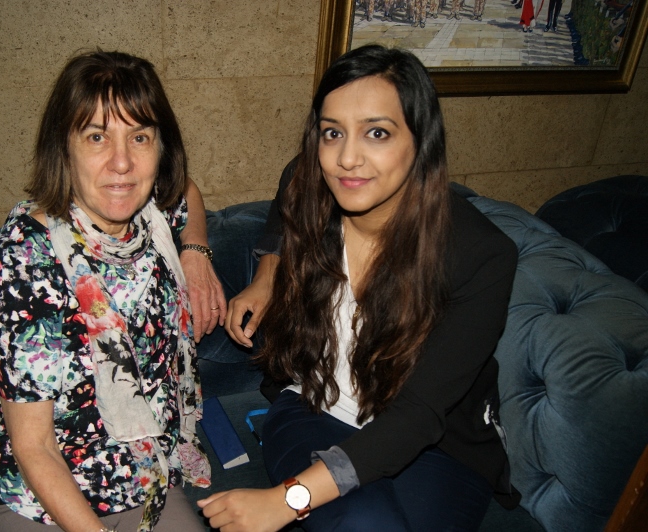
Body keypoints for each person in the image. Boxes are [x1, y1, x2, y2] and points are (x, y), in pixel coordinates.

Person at [203, 44, 520, 531]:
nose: (348, 158)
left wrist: (286, 501)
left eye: (377, 132)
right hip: (315, 405)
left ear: (421, 140)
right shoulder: (314, 189)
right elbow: (292, 184)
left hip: (436, 443)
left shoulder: (481, 255)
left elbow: (419, 415)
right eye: (333, 133)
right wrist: (267, 275)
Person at [0, 50, 219, 532]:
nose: (122, 163)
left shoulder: (154, 218)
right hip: (43, 492)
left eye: (139, 137)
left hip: (144, 474)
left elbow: (185, 188)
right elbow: (33, 446)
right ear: (63, 148)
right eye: (97, 137)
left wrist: (196, 249)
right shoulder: (30, 257)